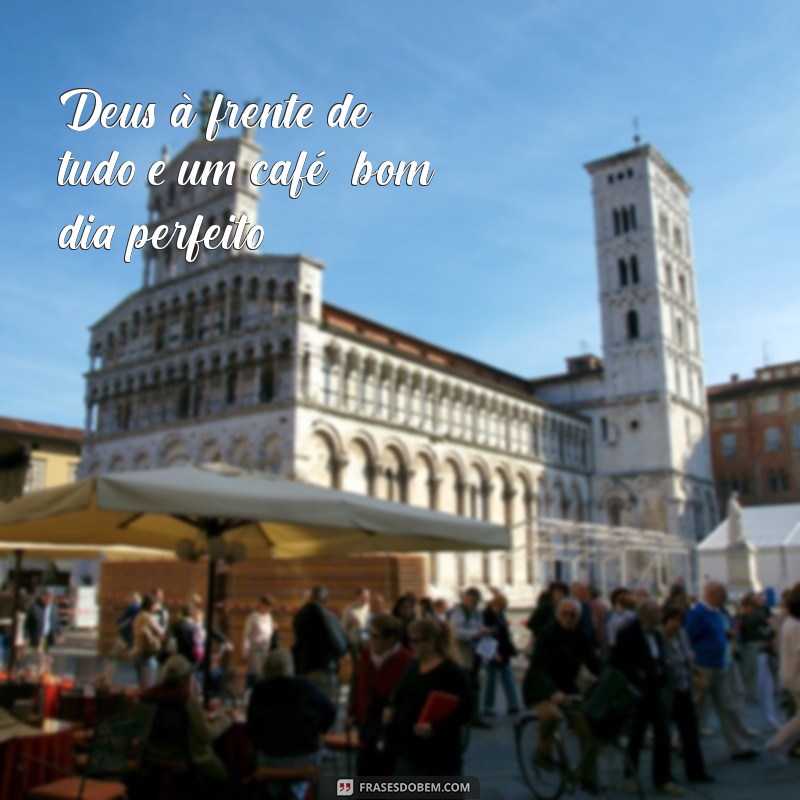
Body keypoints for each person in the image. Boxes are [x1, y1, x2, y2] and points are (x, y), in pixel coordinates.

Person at [522, 598, 600, 779]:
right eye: (564, 614)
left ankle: (590, 778)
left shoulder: (581, 636)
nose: (568, 618)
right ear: (558, 616)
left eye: (573, 615)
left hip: (567, 688)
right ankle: (542, 751)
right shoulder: (546, 634)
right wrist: (552, 691)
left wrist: (607, 678)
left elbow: (594, 663)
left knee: (587, 729)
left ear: (578, 617)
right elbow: (538, 668)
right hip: (539, 688)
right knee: (551, 715)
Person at [610, 600, 683, 796]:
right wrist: (637, 674)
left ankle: (662, 777)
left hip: (655, 687)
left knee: (663, 734)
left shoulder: (656, 634)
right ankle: (630, 775)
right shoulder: (628, 633)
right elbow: (619, 660)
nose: (661, 615)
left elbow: (657, 657)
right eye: (658, 612)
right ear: (647, 615)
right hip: (638, 690)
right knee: (637, 735)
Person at [385, 617, 472, 777]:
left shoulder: (451, 672)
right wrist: (391, 709)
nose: (412, 646)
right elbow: (400, 694)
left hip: (438, 756)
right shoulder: (413, 666)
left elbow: (466, 709)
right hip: (409, 751)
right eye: (410, 640)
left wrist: (436, 728)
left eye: (416, 641)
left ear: (431, 641)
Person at [247, 649, 336, 800]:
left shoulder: (259, 691)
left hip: (271, 760)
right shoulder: (306, 687)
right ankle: (296, 793)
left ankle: (277, 792)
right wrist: (319, 731)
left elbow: (252, 729)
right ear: (291, 668)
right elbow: (331, 710)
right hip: (306, 759)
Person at [684, 580, 758, 760]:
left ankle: (738, 746)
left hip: (719, 664)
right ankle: (682, 740)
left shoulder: (715, 613)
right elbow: (688, 637)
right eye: (721, 593)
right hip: (704, 666)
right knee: (699, 706)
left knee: (727, 706)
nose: (724, 597)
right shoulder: (698, 614)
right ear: (711, 594)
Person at [140, 654, 233, 783]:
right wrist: (225, 720)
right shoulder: (186, 699)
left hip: (152, 755)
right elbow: (204, 735)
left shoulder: (149, 695)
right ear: (186, 677)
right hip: (185, 758)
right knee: (223, 774)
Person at [347, 613, 414, 775]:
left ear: (391, 639)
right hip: (366, 722)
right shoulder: (366, 656)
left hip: (392, 727)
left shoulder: (406, 660)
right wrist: (352, 712)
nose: (370, 640)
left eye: (375, 636)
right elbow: (357, 685)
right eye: (369, 634)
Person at [661, 605, 713, 784]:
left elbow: (688, 654)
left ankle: (696, 771)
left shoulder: (681, 635)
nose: (676, 625)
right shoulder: (660, 637)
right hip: (668, 690)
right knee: (665, 733)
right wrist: (683, 660)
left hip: (683, 686)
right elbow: (666, 661)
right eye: (672, 621)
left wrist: (688, 661)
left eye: (679, 622)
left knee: (690, 730)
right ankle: (665, 773)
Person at [292, 585, 348, 706]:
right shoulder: (328, 616)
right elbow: (342, 645)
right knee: (326, 710)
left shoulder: (299, 616)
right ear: (325, 599)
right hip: (325, 668)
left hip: (305, 668)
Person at [766, 585, 800, 763]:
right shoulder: (795, 626)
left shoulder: (789, 623)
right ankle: (778, 743)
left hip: (789, 673)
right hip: (796, 675)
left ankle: (779, 743)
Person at [448, 587, 489, 728]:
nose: (474, 603)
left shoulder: (476, 613)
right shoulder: (458, 613)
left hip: (475, 654)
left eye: (476, 600)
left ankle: (474, 715)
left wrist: (483, 632)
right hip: (462, 655)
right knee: (465, 686)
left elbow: (479, 627)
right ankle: (463, 715)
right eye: (472, 600)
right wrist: (475, 633)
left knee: (475, 686)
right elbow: (456, 632)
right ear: (466, 598)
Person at [482, 592, 520, 716]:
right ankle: (489, 706)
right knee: (493, 680)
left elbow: (503, 633)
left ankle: (512, 704)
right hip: (493, 650)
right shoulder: (488, 615)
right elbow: (486, 636)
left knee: (505, 678)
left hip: (502, 650)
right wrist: (494, 652)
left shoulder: (498, 614)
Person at [242, 595, 279, 688]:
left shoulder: (269, 617)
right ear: (261, 605)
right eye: (267, 606)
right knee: (256, 673)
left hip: (266, 649)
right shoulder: (253, 617)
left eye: (270, 607)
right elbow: (246, 635)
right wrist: (245, 651)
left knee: (265, 673)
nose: (268, 609)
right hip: (255, 650)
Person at [23, 588, 63, 668]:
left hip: (49, 636)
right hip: (38, 635)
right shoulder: (34, 607)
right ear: (42, 597)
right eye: (47, 597)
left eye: (51, 597)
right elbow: (27, 624)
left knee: (47, 657)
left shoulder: (53, 608)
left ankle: (45, 672)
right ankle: (38, 672)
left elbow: (56, 622)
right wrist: (26, 636)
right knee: (39, 656)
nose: (49, 599)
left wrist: (60, 634)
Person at [132, 593, 165, 689]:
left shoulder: (139, 616)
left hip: (137, 652)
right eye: (157, 604)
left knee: (141, 683)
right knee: (150, 684)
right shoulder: (149, 618)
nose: (158, 606)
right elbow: (161, 632)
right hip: (146, 654)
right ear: (151, 606)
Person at [341, 587, 372, 658]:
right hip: (354, 641)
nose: (367, 598)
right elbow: (344, 626)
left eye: (368, 597)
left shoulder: (369, 607)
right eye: (365, 596)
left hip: (367, 640)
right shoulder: (349, 609)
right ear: (358, 596)